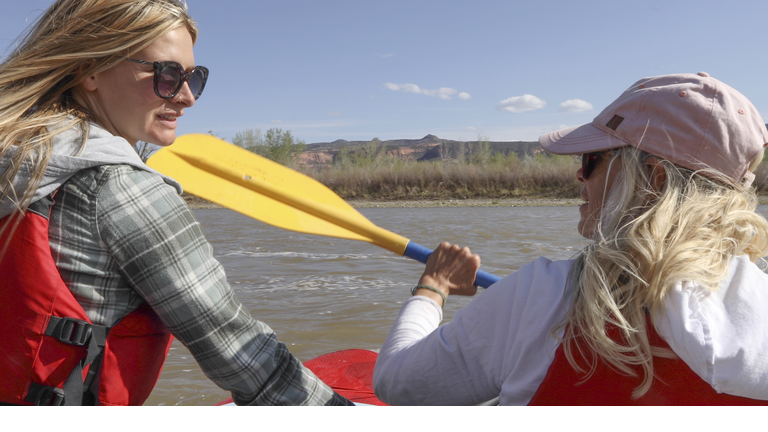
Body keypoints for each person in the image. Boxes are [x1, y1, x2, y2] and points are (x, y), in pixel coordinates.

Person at [0, 0, 351, 406]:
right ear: (90, 69)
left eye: (193, 77)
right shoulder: (123, 190)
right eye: (166, 74)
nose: (187, 97)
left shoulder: (16, 161)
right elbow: (247, 360)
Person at [373, 72, 768, 405]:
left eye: (592, 159)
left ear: (653, 180)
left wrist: (433, 288)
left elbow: (398, 383)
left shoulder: (541, 294)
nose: (580, 175)